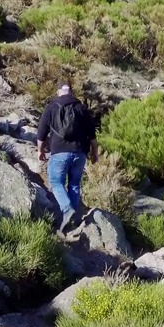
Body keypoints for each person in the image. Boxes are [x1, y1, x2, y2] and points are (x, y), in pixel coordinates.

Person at [37, 84, 98, 232]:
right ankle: (74, 220)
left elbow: (41, 131)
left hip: (59, 151)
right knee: (74, 185)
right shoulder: (82, 108)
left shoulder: (51, 107)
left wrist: (40, 150)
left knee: (56, 182)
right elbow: (92, 133)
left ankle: (66, 209)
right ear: (71, 92)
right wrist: (95, 152)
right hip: (79, 152)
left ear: (58, 92)